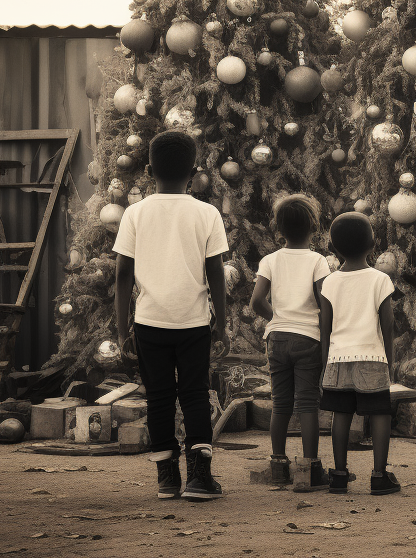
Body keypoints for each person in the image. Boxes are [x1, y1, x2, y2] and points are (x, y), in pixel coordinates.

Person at [113, 131, 228, 502]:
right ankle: (199, 477)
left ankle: (167, 479)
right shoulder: (207, 213)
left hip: (148, 322)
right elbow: (216, 275)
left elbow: (121, 275)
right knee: (195, 394)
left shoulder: (134, 213)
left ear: (148, 170)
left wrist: (121, 328)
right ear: (194, 173)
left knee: (159, 398)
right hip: (194, 322)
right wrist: (221, 323)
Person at [249, 193, 331, 492]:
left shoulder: (270, 260)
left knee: (280, 404)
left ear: (278, 229)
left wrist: (276, 318)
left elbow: (257, 301)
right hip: (308, 338)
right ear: (313, 226)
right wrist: (327, 342)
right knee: (308, 404)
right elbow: (325, 305)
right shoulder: (318, 261)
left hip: (277, 339)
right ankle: (309, 469)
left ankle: (278, 466)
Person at [318, 211, 401, 495]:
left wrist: (323, 364)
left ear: (333, 247)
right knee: (379, 414)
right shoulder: (380, 279)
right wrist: (389, 361)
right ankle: (379, 475)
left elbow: (324, 328)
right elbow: (387, 326)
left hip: (338, 357)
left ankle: (339, 475)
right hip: (372, 357)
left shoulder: (329, 282)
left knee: (341, 413)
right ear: (373, 243)